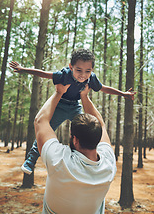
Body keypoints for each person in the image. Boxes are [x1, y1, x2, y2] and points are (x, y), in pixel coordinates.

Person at [9, 49, 136, 174]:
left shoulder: (91, 79)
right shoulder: (64, 74)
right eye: (79, 70)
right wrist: (23, 69)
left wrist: (123, 94)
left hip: (75, 107)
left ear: (92, 70)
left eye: (88, 71)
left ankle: (85, 160)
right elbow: (44, 73)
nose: (83, 75)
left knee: (87, 129)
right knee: (46, 129)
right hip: (59, 105)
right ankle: (30, 161)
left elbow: (103, 88)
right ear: (71, 67)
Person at [34, 83, 116, 214]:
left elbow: (40, 121)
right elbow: (101, 125)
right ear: (98, 137)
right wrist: (84, 97)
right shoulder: (109, 165)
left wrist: (58, 93)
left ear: (75, 139)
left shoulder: (59, 161)